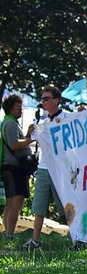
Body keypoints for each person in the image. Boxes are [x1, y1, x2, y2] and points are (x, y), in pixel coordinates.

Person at [22, 86, 69, 249]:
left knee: (66, 206)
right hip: (43, 167)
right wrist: (29, 134)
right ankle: (35, 240)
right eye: (42, 99)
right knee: (39, 205)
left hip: (61, 168)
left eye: (46, 98)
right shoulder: (42, 123)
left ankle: (75, 238)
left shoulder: (67, 118)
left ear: (56, 100)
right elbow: (30, 141)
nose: (43, 102)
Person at [0, 95, 36, 239]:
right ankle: (9, 233)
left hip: (9, 166)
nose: (21, 110)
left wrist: (26, 135)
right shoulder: (10, 124)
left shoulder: (9, 122)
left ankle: (7, 232)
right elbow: (14, 145)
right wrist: (30, 139)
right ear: (10, 108)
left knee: (10, 202)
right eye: (18, 107)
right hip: (14, 167)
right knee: (16, 202)